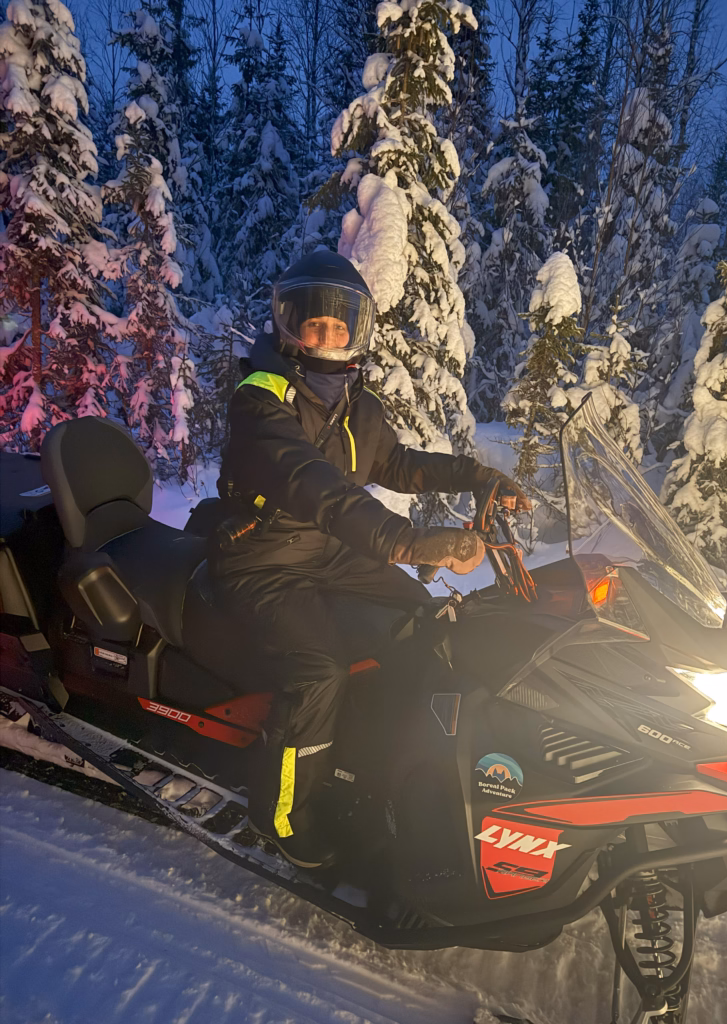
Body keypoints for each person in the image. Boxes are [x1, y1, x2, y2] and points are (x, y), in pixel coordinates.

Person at [211, 251, 529, 869]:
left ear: (357, 330)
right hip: (262, 561)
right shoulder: (261, 400)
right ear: (289, 325)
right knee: (318, 670)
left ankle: (387, 761)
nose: (328, 338)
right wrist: (407, 542)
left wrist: (474, 475)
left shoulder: (357, 401)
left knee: (422, 617)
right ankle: (283, 815)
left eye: (340, 326)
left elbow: (396, 464)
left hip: (330, 554)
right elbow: (313, 485)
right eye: (315, 326)